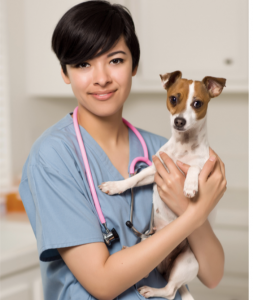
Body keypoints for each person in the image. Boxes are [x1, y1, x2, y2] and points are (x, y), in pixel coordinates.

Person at [19, 1, 226, 299]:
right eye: (82, 64)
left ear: (135, 65)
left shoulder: (161, 149)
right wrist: (194, 213)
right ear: (65, 72)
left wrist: (191, 211)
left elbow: (213, 274)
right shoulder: (53, 158)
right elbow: (102, 284)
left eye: (115, 60)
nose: (101, 77)